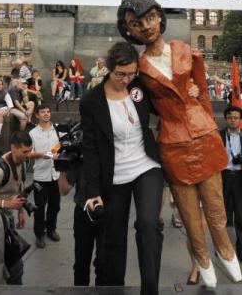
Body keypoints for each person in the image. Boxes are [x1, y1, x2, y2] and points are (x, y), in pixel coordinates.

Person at [116, 0, 240, 288]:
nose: (145, 27)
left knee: (215, 206)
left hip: (203, 133)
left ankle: (225, 248)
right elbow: (141, 106)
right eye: (136, 24)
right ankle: (202, 257)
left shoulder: (186, 50)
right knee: (188, 213)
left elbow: (206, 96)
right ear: (129, 31)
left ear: (160, 17)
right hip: (173, 142)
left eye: (149, 18)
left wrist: (206, 117)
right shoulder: (138, 70)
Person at [81, 41, 164, 294]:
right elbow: (91, 148)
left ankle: (150, 290)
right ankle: (114, 288)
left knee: (149, 224)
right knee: (113, 237)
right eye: (120, 74)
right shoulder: (91, 102)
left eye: (131, 74)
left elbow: (167, 104)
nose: (126, 79)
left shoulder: (139, 88)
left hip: (145, 166)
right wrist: (92, 190)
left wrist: (190, 89)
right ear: (109, 68)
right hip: (114, 175)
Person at [0, 131, 32, 285]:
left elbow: (19, 187)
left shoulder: (23, 161)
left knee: (12, 262)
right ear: (13, 148)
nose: (29, 154)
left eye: (30, 150)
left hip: (7, 220)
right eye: (25, 151)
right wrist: (7, 204)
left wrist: (20, 211)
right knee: (13, 265)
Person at [59, 155, 107, 286]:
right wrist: (62, 167)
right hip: (83, 212)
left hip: (108, 213)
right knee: (81, 264)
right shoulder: (79, 153)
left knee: (104, 264)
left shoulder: (110, 149)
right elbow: (64, 190)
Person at [219, 105, 242, 265]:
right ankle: (222, 248)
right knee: (221, 216)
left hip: (240, 178)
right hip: (223, 178)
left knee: (240, 216)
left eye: (236, 117)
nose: (233, 120)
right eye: (230, 117)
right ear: (226, 119)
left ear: (240, 119)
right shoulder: (218, 135)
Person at [28, 104, 61, 248]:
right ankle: (39, 234)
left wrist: (55, 153)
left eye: (48, 111)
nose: (46, 114)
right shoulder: (32, 133)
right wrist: (43, 154)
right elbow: (29, 153)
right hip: (40, 176)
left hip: (55, 174)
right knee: (39, 207)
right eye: (43, 112)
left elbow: (60, 147)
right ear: (37, 115)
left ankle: (51, 229)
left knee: (55, 205)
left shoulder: (57, 130)